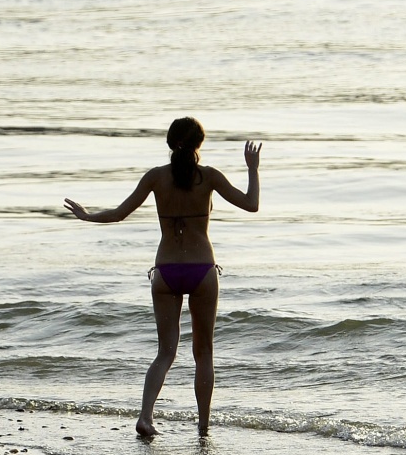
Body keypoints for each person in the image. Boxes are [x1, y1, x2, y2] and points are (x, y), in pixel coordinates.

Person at [63, 117, 260, 437]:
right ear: (199, 144)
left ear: (170, 143)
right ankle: (203, 426)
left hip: (166, 271)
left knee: (166, 352)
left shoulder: (156, 177)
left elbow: (118, 214)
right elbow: (251, 205)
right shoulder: (208, 177)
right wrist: (252, 167)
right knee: (204, 353)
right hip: (201, 270)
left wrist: (87, 216)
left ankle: (145, 416)